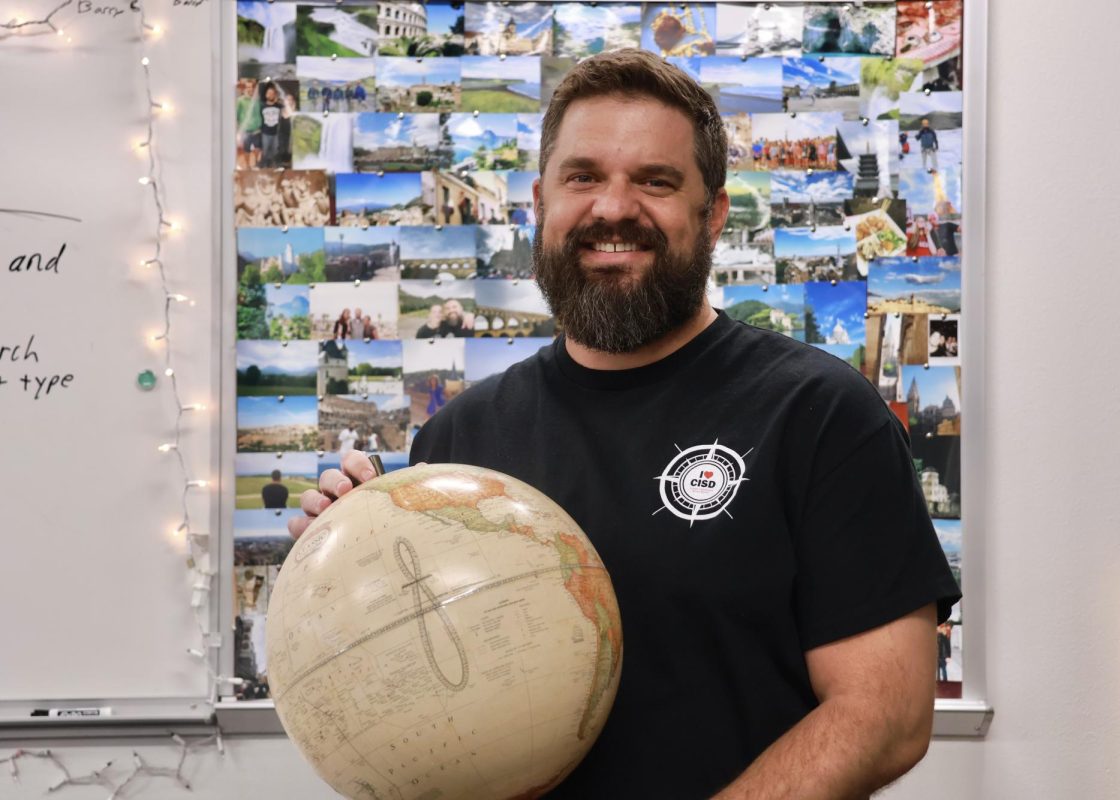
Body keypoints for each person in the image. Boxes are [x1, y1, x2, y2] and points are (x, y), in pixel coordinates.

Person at [291, 50, 959, 799]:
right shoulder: (458, 444)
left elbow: (887, 714)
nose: (613, 208)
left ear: (713, 215)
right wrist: (345, 559)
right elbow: (423, 687)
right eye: (583, 177)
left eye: (655, 180)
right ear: (540, 203)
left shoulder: (819, 414)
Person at [258, 85, 286, 169]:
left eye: (272, 93)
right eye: (268, 93)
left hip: (276, 133)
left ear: (275, 95)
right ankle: (264, 167)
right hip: (265, 133)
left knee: (275, 152)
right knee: (265, 152)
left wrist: (279, 99)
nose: (270, 95)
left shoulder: (279, 106)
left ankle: (274, 168)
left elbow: (287, 105)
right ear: (266, 94)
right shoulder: (261, 106)